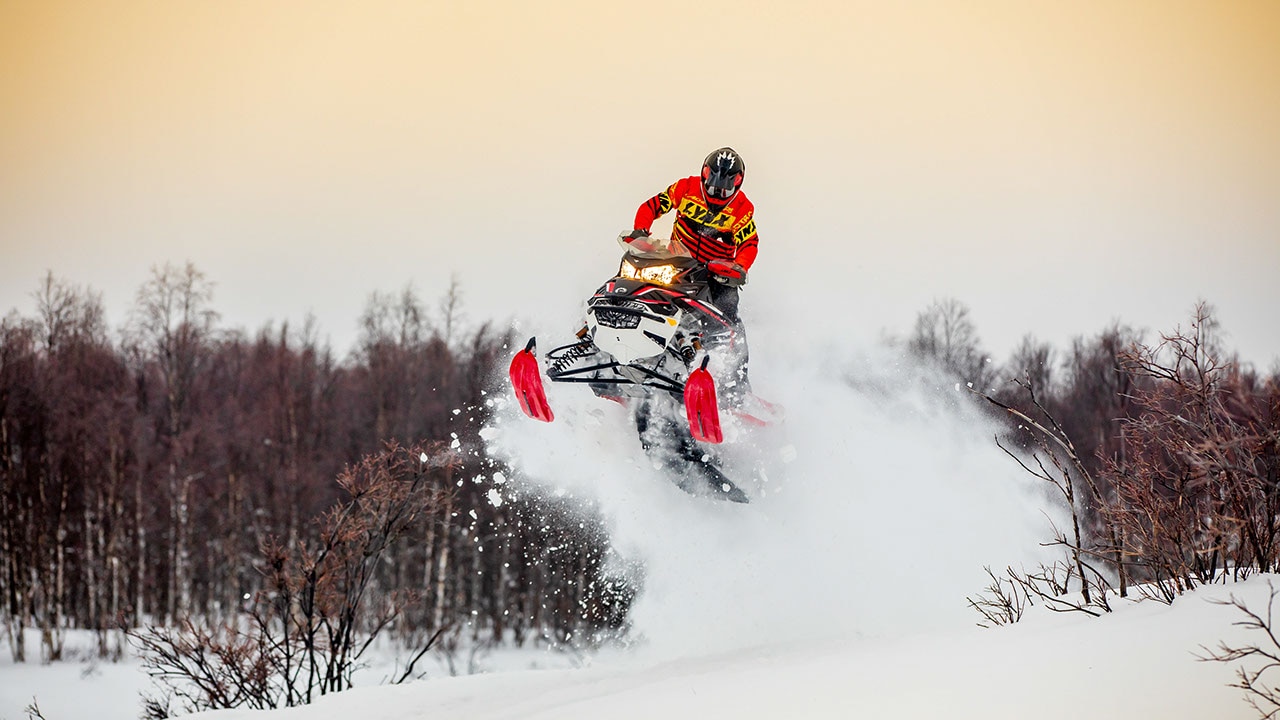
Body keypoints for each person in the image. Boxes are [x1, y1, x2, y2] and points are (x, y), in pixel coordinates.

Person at [628, 147, 759, 399]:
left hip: (717, 273)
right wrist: (640, 230)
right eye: (711, 186)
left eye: (724, 189)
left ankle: (735, 385)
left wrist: (739, 267)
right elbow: (653, 205)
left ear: (737, 184)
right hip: (678, 261)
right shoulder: (685, 189)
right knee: (636, 281)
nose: (716, 193)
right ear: (704, 175)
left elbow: (748, 243)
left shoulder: (742, 209)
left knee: (728, 316)